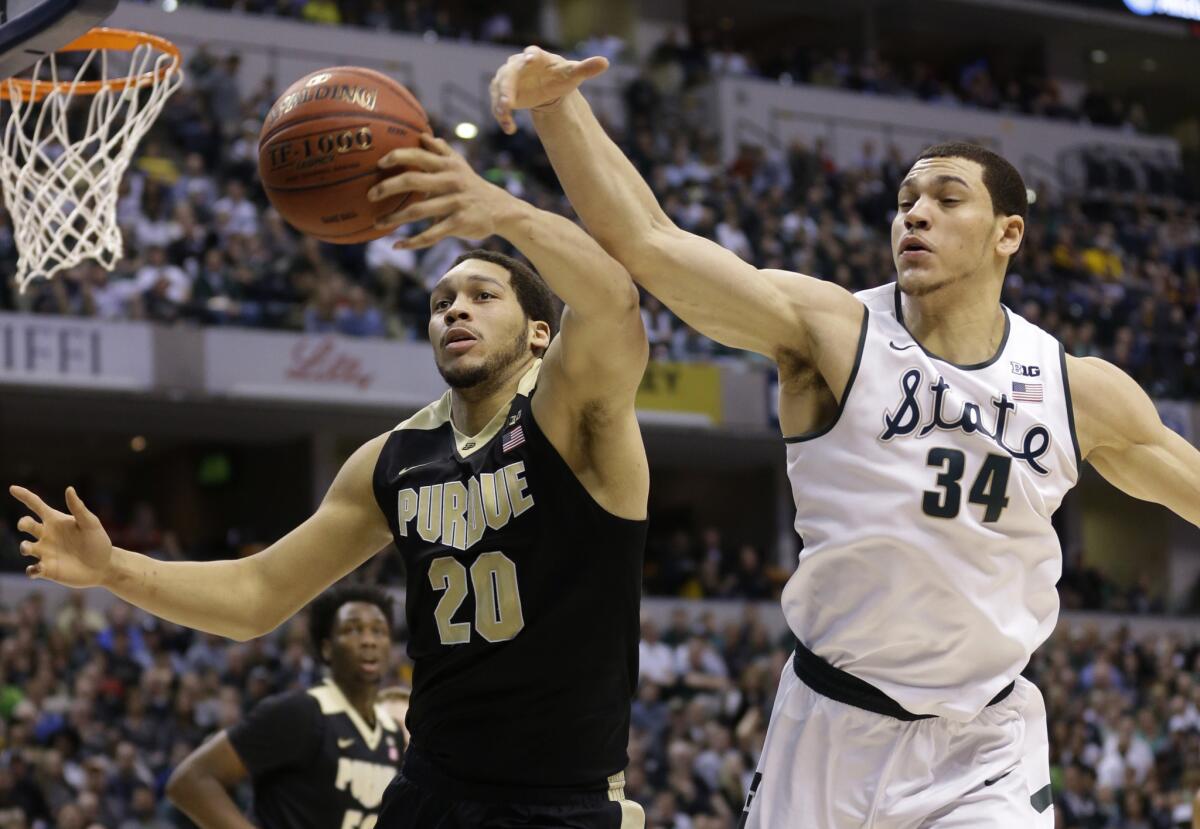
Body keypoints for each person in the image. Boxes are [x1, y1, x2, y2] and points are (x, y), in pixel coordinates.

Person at [489, 47, 1200, 828]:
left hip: (983, 743)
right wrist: (558, 108)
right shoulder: (833, 332)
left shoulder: (1075, 387)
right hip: (828, 725)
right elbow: (652, 243)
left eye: (946, 198)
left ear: (1009, 234)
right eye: (905, 199)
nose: (915, 213)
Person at [11, 133, 650, 828]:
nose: (454, 310)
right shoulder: (395, 458)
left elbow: (615, 300)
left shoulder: (572, 415)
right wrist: (115, 569)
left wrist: (498, 208)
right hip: (430, 792)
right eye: (440, 302)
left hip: (561, 802)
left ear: (538, 334)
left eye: (481, 295)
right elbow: (257, 595)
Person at [166, 585, 401, 828]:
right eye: (352, 629)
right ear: (327, 648)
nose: (369, 641)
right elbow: (190, 780)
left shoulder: (393, 734)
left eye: (378, 631)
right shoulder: (300, 711)